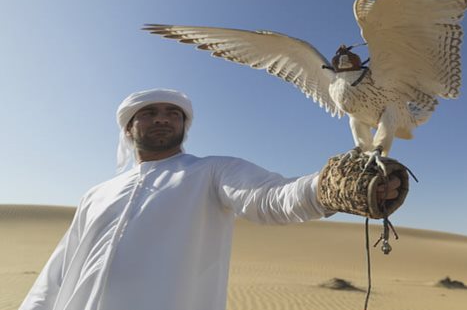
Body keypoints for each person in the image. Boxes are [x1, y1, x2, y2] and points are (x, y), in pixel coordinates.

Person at [20, 88, 402, 310]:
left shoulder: (212, 172)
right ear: (128, 127)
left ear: (184, 126)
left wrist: (327, 189)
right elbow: (57, 272)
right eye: (149, 112)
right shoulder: (96, 194)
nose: (162, 119)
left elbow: (270, 198)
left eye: (173, 113)